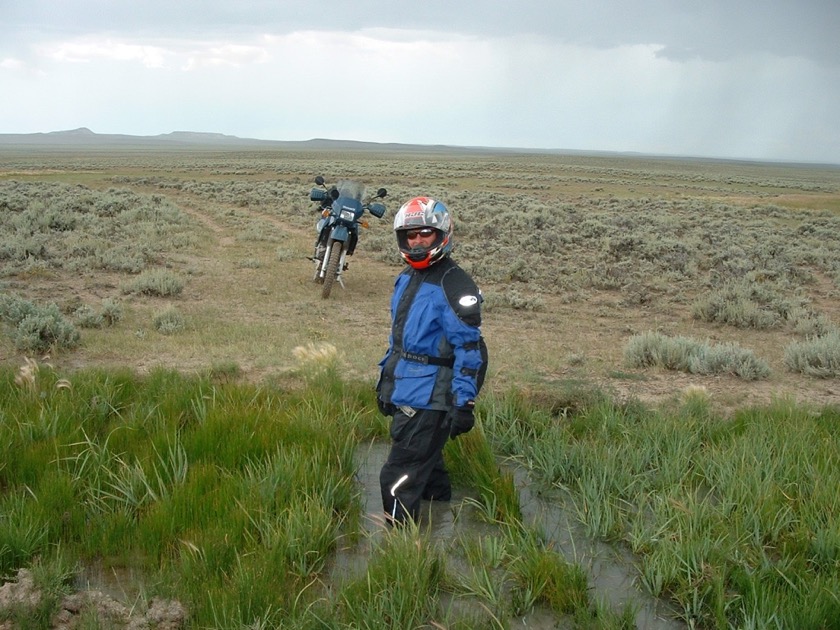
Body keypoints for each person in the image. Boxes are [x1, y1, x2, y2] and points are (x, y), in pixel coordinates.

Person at [376, 196, 488, 524]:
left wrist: (463, 403)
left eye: (425, 233)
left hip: (431, 396)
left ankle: (399, 547)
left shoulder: (453, 284)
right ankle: (440, 513)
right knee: (427, 459)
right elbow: (402, 341)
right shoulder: (408, 277)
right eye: (411, 235)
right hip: (408, 386)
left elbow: (469, 350)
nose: (417, 241)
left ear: (441, 234)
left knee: (398, 477)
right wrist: (387, 384)